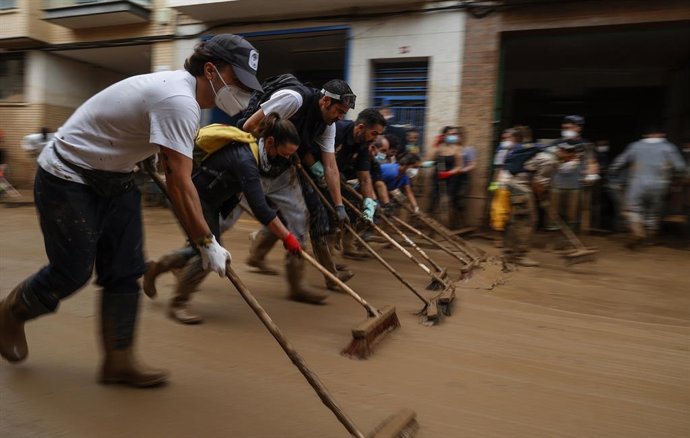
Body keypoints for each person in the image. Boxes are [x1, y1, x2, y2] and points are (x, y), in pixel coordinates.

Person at [0, 34, 260, 387]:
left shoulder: (184, 100)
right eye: (238, 81)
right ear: (211, 70)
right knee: (72, 271)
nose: (242, 91)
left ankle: (118, 361)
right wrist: (205, 241)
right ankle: (10, 312)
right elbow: (180, 185)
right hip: (68, 173)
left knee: (125, 270)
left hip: (116, 176)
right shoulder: (178, 100)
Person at [144, 114, 316, 324]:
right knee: (209, 254)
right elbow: (260, 208)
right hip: (191, 199)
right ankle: (178, 304)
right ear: (270, 142)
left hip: (207, 202)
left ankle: (157, 267)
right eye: (284, 153)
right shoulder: (246, 160)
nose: (286, 159)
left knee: (197, 249)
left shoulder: (259, 154)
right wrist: (288, 237)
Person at [242, 78, 356, 291]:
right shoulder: (294, 99)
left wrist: (339, 206)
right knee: (224, 219)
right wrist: (276, 147)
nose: (340, 117)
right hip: (254, 161)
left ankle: (307, 281)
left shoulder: (328, 125)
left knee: (303, 215)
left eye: (344, 113)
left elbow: (330, 166)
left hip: (284, 167)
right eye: (339, 111)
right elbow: (249, 126)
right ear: (325, 101)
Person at [609, 125, 686, 246]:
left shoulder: (635, 146)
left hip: (637, 183)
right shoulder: (668, 147)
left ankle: (637, 230)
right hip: (659, 185)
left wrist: (612, 171)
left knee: (633, 208)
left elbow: (619, 162)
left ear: (645, 135)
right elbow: (680, 167)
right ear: (662, 134)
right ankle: (650, 236)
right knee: (653, 211)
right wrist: (677, 179)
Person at [490, 128, 553, 266]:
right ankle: (518, 256)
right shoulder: (547, 157)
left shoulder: (516, 151)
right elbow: (540, 182)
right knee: (527, 222)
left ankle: (508, 253)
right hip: (521, 190)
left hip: (508, 187)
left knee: (513, 221)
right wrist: (542, 195)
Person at [335, 108, 386, 259]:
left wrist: (369, 203)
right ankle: (260, 254)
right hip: (312, 173)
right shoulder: (337, 130)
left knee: (358, 204)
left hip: (336, 178)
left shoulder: (364, 145)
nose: (375, 139)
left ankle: (348, 246)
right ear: (361, 127)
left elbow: (364, 178)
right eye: (374, 133)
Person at [547, 115, 598, 231]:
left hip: (575, 185)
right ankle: (551, 240)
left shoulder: (586, 145)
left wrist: (591, 175)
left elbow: (592, 162)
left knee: (572, 215)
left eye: (569, 128)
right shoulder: (555, 143)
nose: (566, 130)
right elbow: (546, 159)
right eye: (564, 128)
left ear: (578, 128)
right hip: (557, 184)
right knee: (553, 216)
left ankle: (569, 239)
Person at [428, 126, 464, 226]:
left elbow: (459, 166)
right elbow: (431, 158)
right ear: (444, 135)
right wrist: (436, 144)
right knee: (434, 200)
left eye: (454, 134)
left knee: (447, 201)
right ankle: (432, 225)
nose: (452, 136)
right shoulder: (440, 147)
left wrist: (448, 173)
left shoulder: (458, 148)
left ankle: (445, 225)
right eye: (450, 134)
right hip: (438, 177)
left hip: (451, 178)